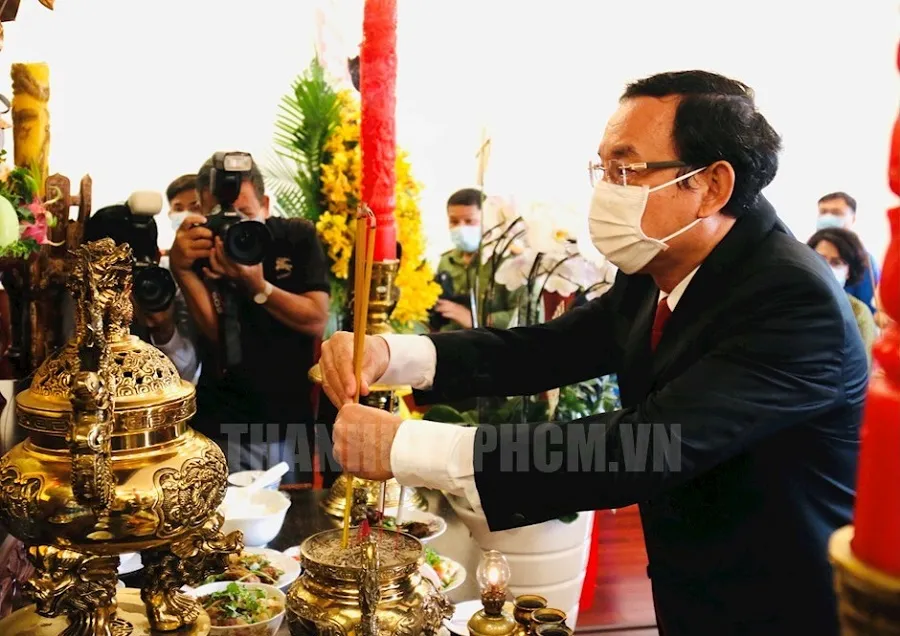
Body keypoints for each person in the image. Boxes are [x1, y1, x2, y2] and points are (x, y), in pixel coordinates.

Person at [321, 71, 867, 635]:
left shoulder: (790, 298)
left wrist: (410, 446)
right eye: (602, 169)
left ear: (710, 185)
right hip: (691, 581)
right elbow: (549, 350)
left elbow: (647, 444)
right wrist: (391, 354)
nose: (607, 190)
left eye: (626, 170)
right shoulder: (659, 260)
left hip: (782, 599)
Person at [169, 153, 330, 484]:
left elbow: (316, 319)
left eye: (245, 214)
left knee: (294, 510)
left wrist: (257, 286)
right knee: (226, 512)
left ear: (265, 205)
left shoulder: (295, 237)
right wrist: (181, 269)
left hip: (289, 420)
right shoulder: (201, 246)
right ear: (201, 210)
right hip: (223, 420)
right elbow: (216, 335)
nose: (233, 226)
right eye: (220, 215)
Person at [83, 203, 200, 383]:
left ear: (157, 257)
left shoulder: (164, 286)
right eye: (113, 274)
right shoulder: (82, 291)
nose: (125, 284)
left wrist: (164, 330)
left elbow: (185, 376)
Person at [432, 188, 521, 330]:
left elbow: (524, 316)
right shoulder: (446, 261)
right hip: (449, 338)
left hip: (492, 340)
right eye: (454, 221)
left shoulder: (508, 261)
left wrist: (477, 320)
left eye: (470, 221)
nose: (461, 228)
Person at [808, 228, 877, 364]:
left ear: (849, 272)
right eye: (820, 259)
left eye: (837, 262)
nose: (826, 267)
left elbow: (862, 368)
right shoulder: (790, 300)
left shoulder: (858, 314)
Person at [816, 192, 881, 313]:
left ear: (853, 218)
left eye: (836, 213)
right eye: (823, 212)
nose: (828, 217)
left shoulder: (865, 261)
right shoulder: (807, 252)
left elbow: (868, 310)